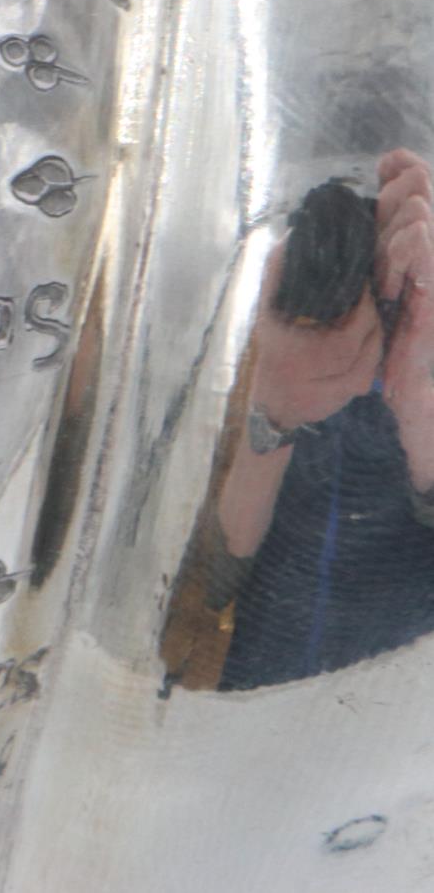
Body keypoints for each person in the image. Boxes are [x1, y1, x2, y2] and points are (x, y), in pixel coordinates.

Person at [166, 149, 434, 690]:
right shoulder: (231, 338)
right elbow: (189, 609)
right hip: (241, 705)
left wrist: (421, 416)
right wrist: (274, 413)